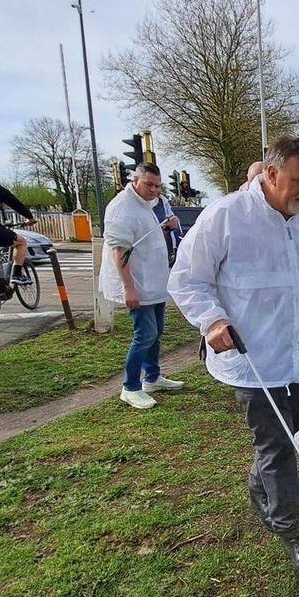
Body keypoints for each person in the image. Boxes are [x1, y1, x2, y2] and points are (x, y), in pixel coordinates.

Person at [169, 136, 299, 581]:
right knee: (278, 443)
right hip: (253, 360)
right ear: (270, 174)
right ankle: (294, 533)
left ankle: (259, 486)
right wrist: (211, 322)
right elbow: (187, 279)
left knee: (282, 438)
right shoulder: (226, 216)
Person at [100, 162, 185, 411]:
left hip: (153, 282)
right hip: (137, 283)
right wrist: (129, 288)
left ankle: (152, 377)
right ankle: (130, 387)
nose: (154, 190)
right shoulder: (121, 208)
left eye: (158, 186)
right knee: (145, 334)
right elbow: (119, 250)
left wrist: (166, 225)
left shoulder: (146, 205)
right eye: (149, 184)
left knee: (156, 331)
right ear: (135, 180)